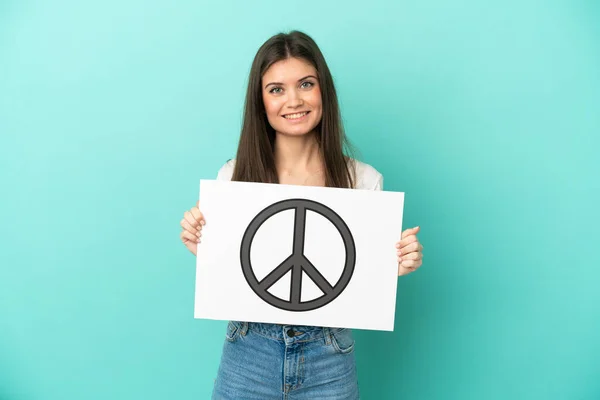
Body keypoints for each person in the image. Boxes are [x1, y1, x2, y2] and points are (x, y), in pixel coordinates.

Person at [179, 30, 424, 400]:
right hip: (249, 351)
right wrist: (205, 246)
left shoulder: (364, 180)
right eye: (276, 89)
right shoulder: (234, 177)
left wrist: (396, 265)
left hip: (329, 354)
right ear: (260, 101)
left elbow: (359, 276)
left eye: (305, 84)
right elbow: (236, 269)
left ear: (324, 89)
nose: (293, 100)